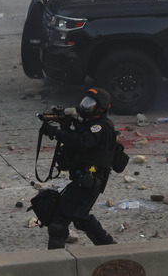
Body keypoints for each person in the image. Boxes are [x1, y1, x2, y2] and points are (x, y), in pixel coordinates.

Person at [41, 87, 118, 249]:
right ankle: (111, 248)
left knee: (58, 222)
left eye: (90, 104)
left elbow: (81, 142)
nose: (85, 106)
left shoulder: (100, 127)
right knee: (81, 218)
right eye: (85, 102)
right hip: (84, 180)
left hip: (88, 181)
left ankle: (56, 262)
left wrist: (57, 133)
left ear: (101, 108)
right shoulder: (91, 125)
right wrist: (65, 125)